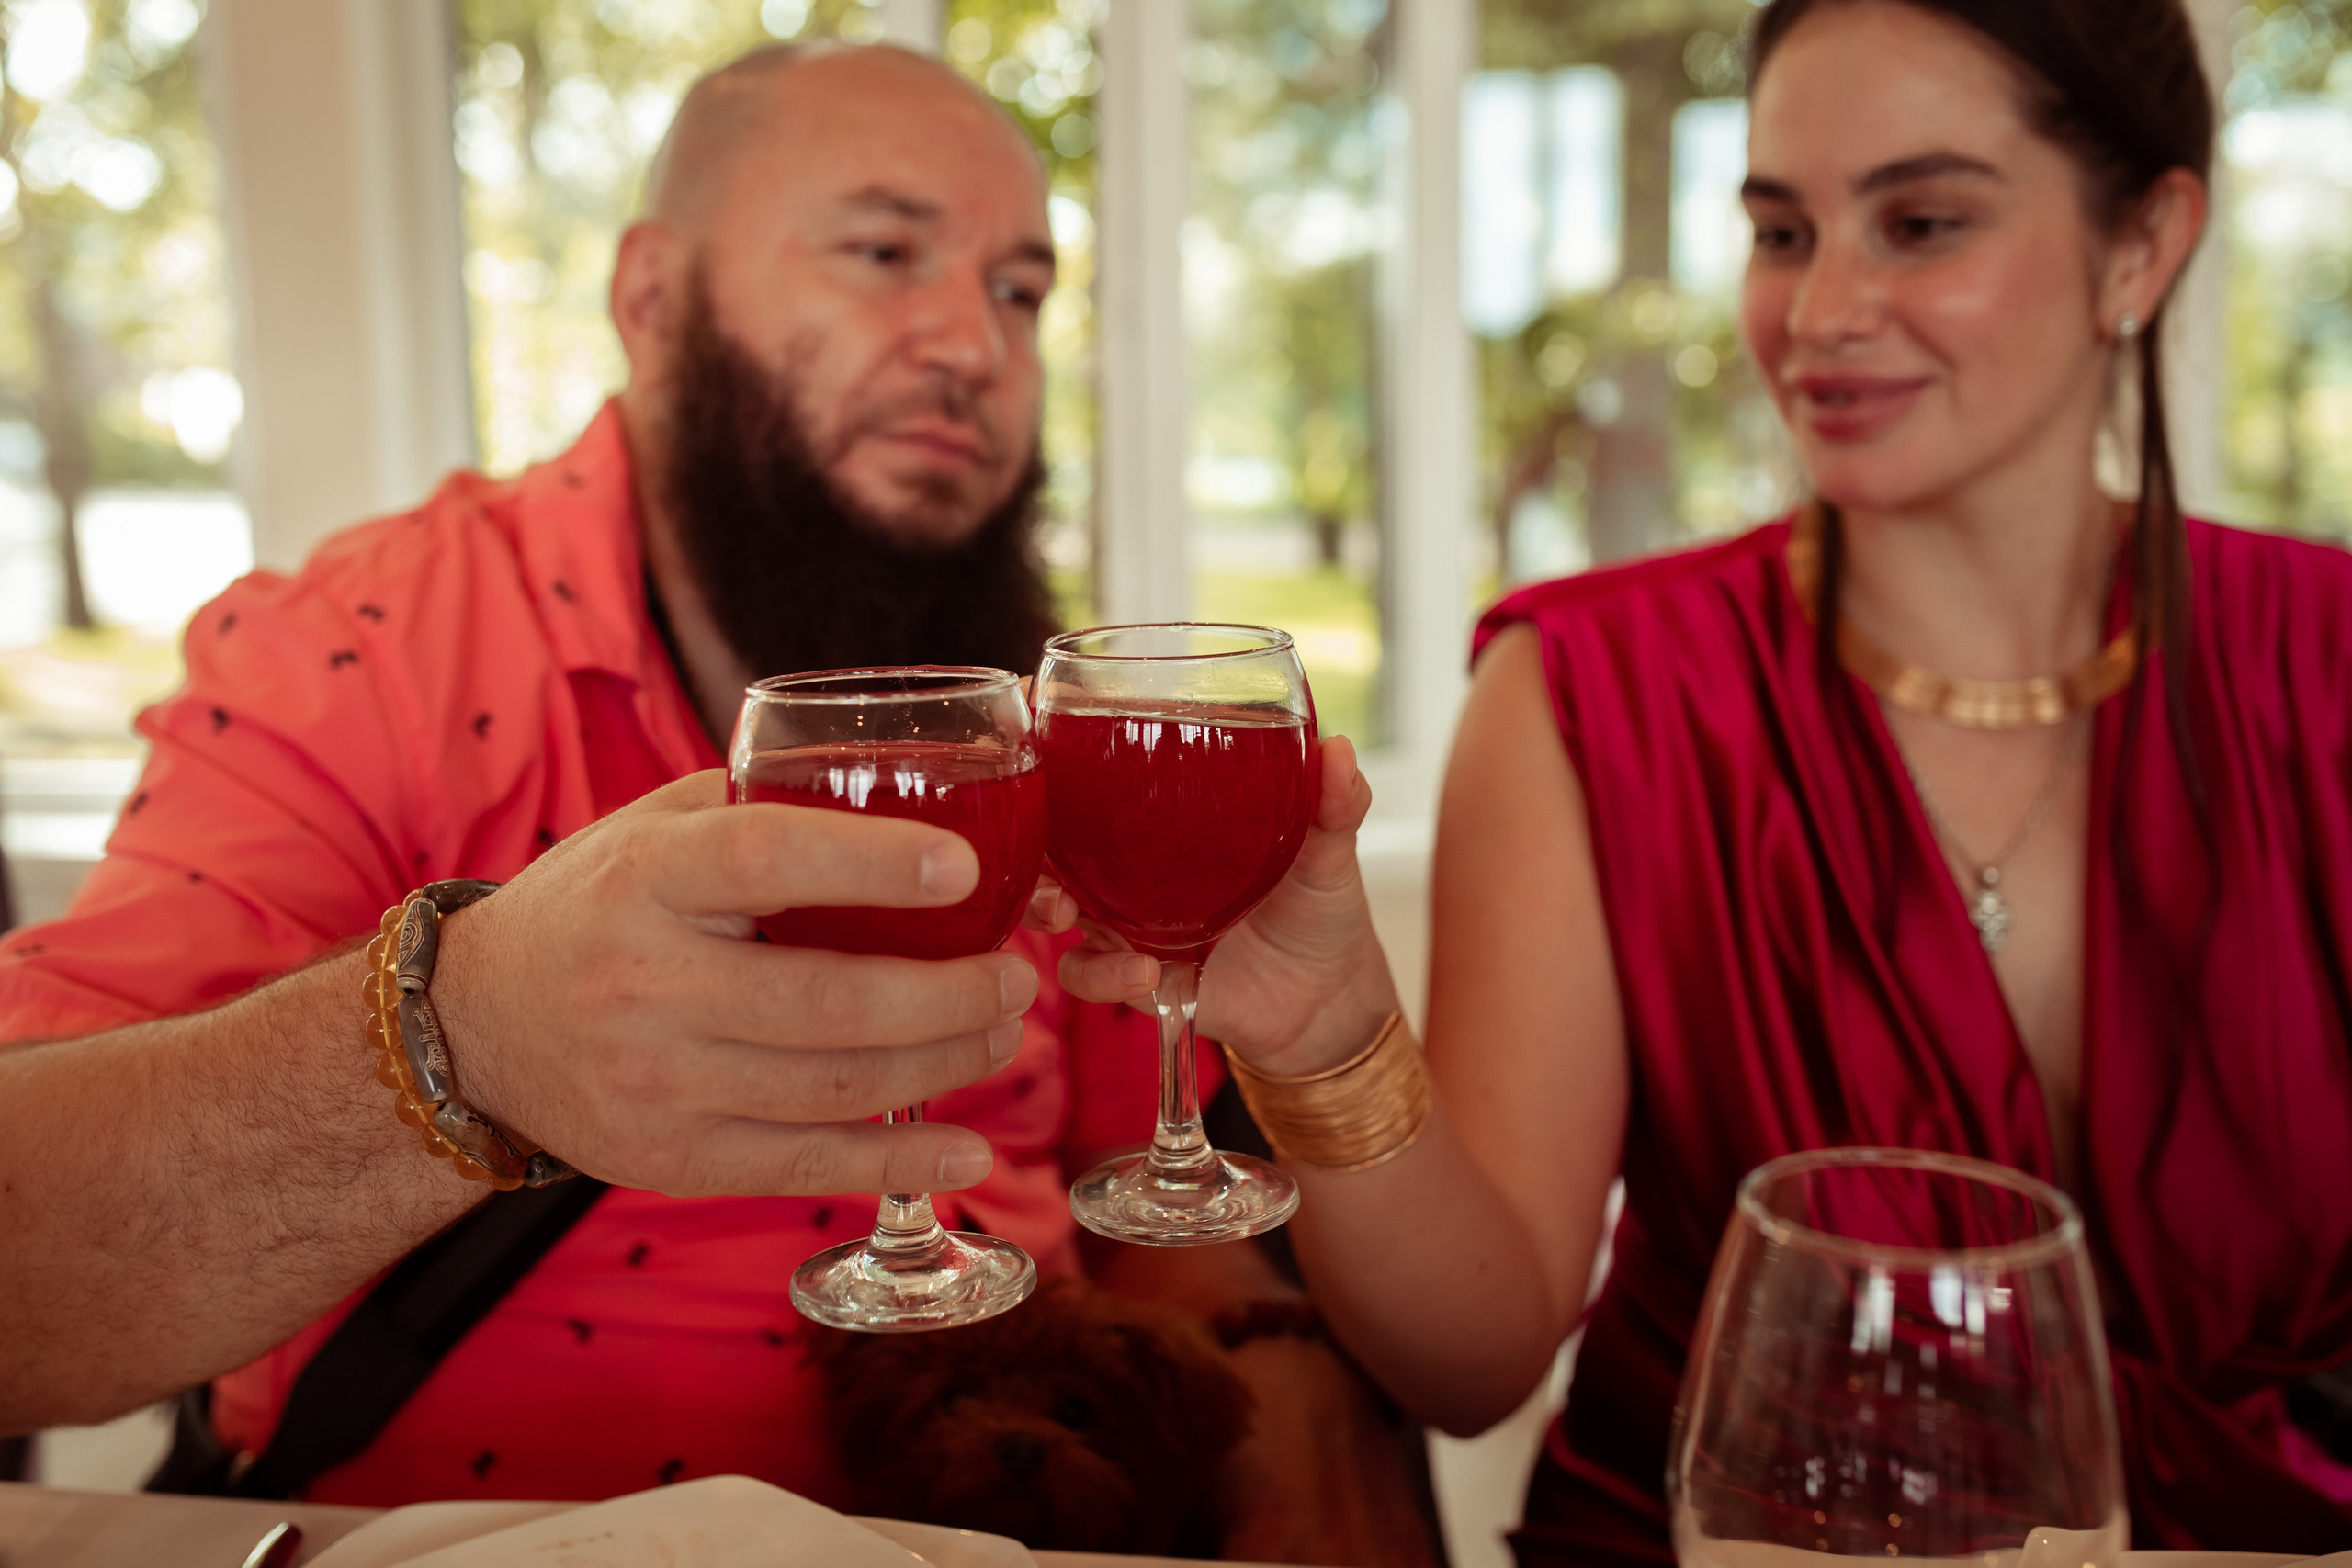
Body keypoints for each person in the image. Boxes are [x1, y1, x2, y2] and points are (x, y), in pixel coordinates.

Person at [0, 44, 1429, 1563]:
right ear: (649, 296)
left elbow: (1136, 1213)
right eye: (885, 253)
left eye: (1022, 290)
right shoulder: (354, 651)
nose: (974, 344)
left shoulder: (1023, 712)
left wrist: (1286, 1400)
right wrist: (460, 1041)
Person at [1055, 0, 2352, 1559]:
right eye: (1783, 230)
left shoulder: (2330, 666)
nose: (1821, 310)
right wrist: (1329, 1040)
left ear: (2144, 245)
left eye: (1920, 221)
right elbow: (1472, 1362)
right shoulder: (1588, 690)